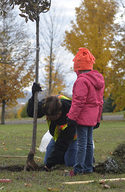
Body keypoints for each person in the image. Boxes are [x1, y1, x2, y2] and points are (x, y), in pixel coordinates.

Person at [65, 47, 105, 177]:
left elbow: (78, 101)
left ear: (79, 68)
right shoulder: (98, 80)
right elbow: (100, 102)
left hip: (82, 118)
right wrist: (98, 119)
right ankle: (88, 168)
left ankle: (78, 170)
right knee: (88, 143)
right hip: (92, 117)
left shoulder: (82, 80)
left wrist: (71, 117)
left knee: (81, 144)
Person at [27, 83, 77, 171]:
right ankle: (63, 157)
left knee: (70, 163)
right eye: (47, 117)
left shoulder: (69, 119)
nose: (49, 119)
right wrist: (33, 95)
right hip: (56, 138)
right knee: (47, 160)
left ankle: (83, 155)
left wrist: (48, 167)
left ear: (59, 113)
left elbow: (61, 145)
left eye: (51, 118)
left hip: (73, 138)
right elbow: (32, 112)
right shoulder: (47, 105)